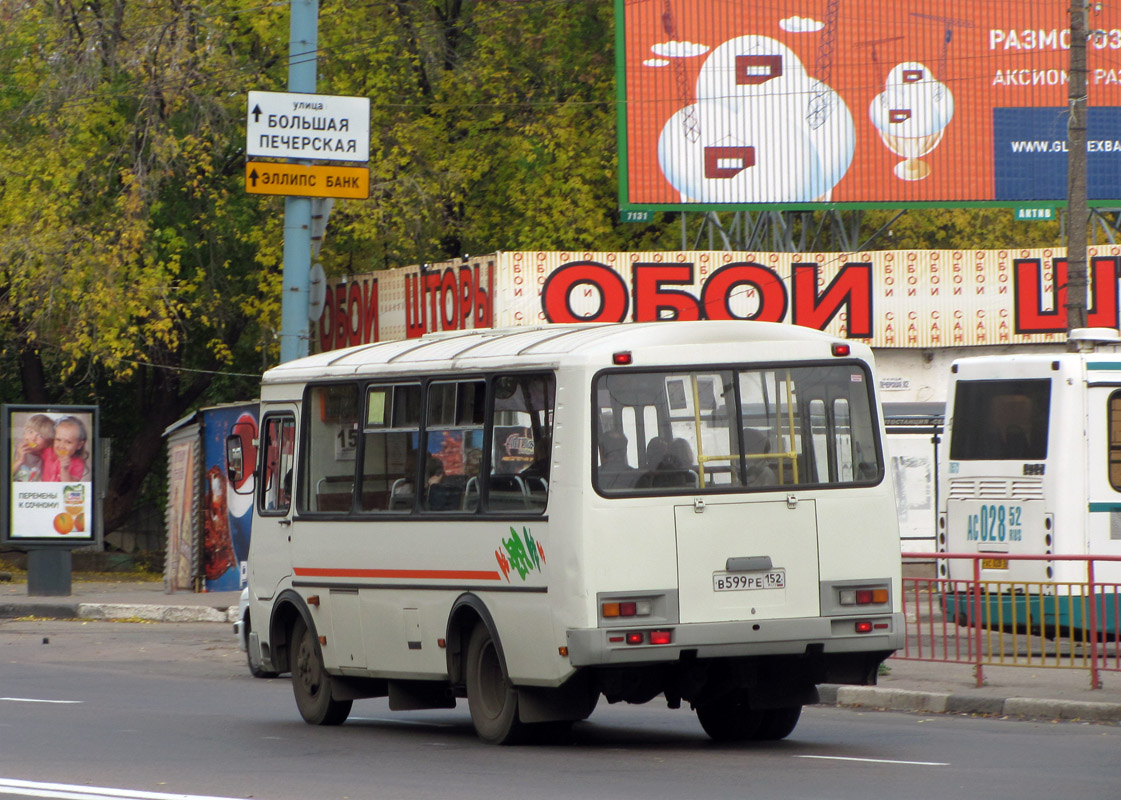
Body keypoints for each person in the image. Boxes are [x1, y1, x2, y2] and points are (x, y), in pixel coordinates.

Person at [41, 415, 90, 481]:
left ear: (79, 445)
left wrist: (64, 469)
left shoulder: (78, 463)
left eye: (68, 442)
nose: (61, 446)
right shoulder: (48, 452)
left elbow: (70, 487)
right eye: (58, 440)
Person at [11, 414, 54, 482]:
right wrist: (19, 460)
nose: (33, 438)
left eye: (40, 436)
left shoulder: (46, 458)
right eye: (30, 432)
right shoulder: (14, 451)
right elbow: (4, 476)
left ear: (47, 443)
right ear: (24, 433)